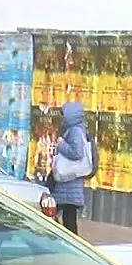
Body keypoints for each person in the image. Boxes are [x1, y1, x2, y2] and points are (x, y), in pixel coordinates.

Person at [49, 100, 93, 234]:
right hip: (68, 184)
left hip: (69, 184)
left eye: (64, 114)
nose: (62, 117)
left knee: (65, 218)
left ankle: (69, 245)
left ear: (71, 116)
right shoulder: (73, 129)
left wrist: (61, 144)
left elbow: (77, 153)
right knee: (67, 218)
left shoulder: (74, 131)